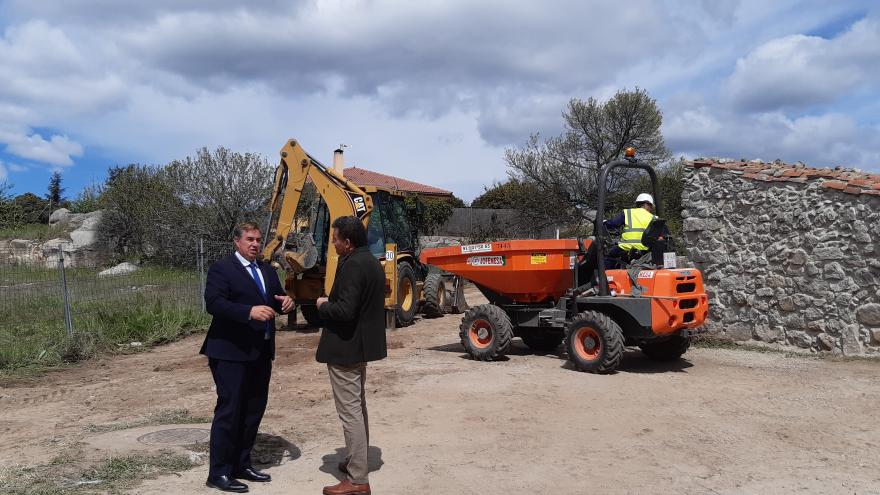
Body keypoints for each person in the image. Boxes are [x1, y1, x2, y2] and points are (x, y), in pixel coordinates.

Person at [201, 221, 293, 493]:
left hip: (260, 351)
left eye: (258, 239)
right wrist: (248, 312)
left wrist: (287, 303)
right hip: (229, 351)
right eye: (250, 239)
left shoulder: (266, 269)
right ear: (237, 242)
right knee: (230, 411)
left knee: (253, 411)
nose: (255, 244)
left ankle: (242, 464)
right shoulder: (223, 269)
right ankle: (218, 472)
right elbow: (214, 304)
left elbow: (277, 300)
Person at [316, 215, 387, 495]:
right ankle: (357, 462)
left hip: (346, 348)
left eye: (335, 239)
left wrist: (323, 304)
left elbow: (344, 311)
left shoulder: (353, 265)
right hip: (360, 347)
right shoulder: (371, 261)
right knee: (358, 407)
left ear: (347, 242)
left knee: (350, 414)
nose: (332, 244)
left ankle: (358, 480)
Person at [604, 193, 665, 268]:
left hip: (626, 248)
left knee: (607, 256)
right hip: (644, 252)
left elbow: (613, 223)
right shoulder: (654, 218)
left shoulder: (628, 213)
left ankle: (606, 278)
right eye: (651, 206)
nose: (651, 208)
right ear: (647, 204)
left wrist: (604, 222)